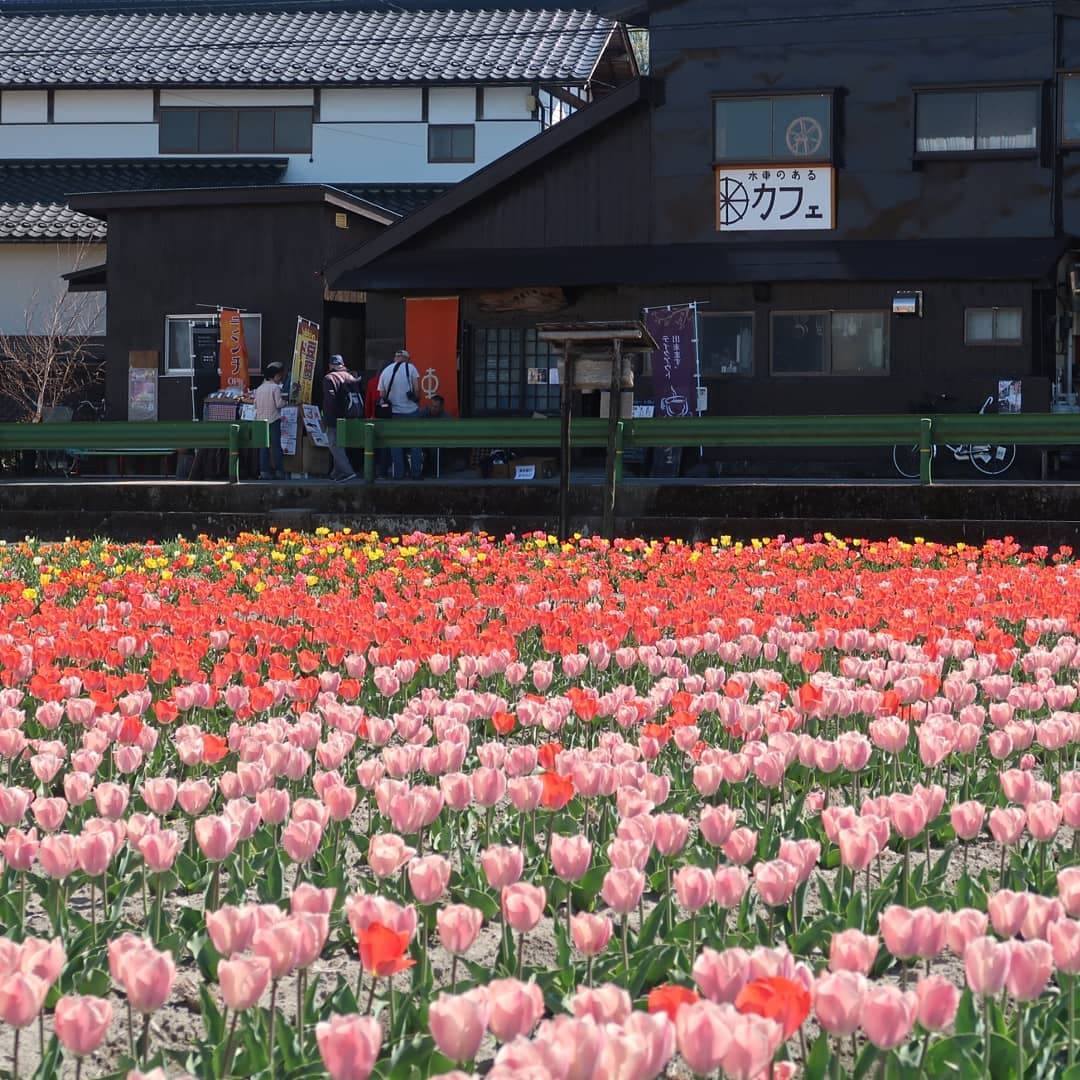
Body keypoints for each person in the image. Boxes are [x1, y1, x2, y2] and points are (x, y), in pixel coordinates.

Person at [377, 348, 422, 479]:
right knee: (415, 444)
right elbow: (417, 390)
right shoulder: (411, 368)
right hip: (411, 411)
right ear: (407, 359)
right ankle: (416, 473)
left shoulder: (385, 371)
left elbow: (382, 395)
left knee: (395, 444)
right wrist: (415, 399)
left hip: (394, 413)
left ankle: (398, 474)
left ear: (395, 358)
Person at [322, 354, 360, 482]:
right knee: (340, 444)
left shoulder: (329, 378)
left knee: (334, 445)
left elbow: (330, 401)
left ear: (330, 365)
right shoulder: (350, 376)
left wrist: (326, 418)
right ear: (342, 364)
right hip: (350, 416)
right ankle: (336, 473)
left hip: (334, 418)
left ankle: (348, 472)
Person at [253, 362, 286, 480]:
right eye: (279, 375)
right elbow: (279, 404)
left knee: (264, 448)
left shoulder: (259, 388)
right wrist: (286, 401)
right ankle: (279, 471)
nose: (280, 378)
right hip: (273, 419)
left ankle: (264, 472)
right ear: (275, 376)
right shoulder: (275, 388)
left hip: (261, 421)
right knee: (276, 447)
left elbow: (255, 405)